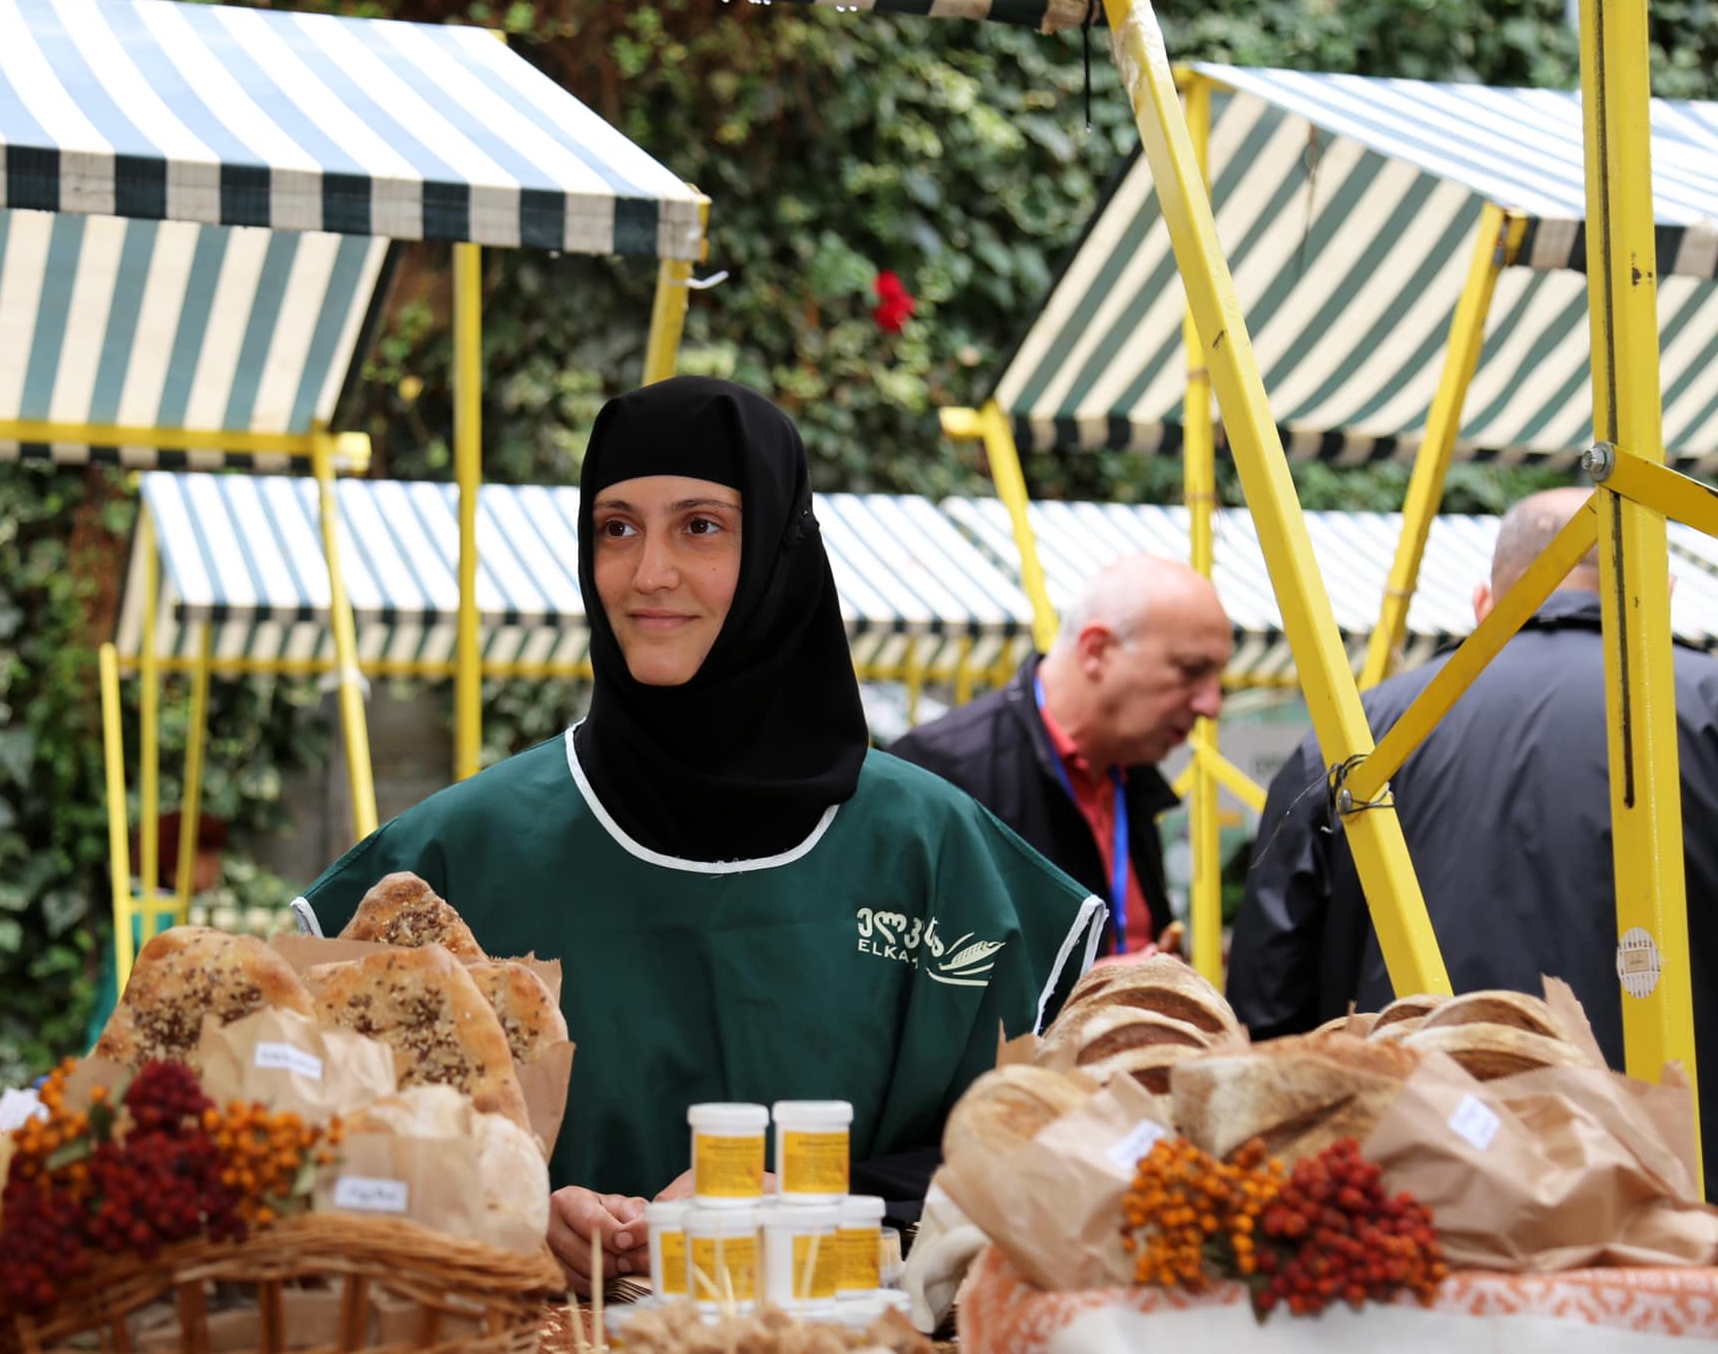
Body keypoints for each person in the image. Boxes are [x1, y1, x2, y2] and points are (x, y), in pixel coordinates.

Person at [294, 378, 1103, 1293]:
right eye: (616, 528)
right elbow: (319, 1154)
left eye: (701, 527)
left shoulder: (938, 855)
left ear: (782, 550)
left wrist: (819, 1199)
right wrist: (502, 1211)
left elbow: (1044, 1151)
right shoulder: (451, 859)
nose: (648, 573)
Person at [1227, 486, 1718, 1191]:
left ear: (1484, 601)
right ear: (1660, 593)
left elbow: (1270, 998)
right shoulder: (1705, 708)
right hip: (1675, 1178)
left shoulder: (1359, 734)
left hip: (1408, 1180)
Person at [889, 556, 1233, 958]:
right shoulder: (937, 772)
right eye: (1192, 670)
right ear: (1097, 651)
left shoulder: (1129, 775)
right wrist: (1090, 984)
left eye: (1218, 678)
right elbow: (896, 967)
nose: (1211, 705)